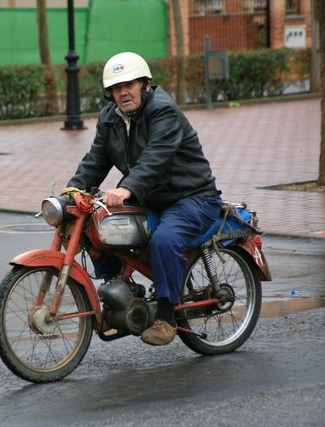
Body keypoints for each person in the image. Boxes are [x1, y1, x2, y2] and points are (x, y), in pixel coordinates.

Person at [66, 52, 222, 346]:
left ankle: (166, 318)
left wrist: (127, 188)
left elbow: (157, 156)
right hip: (150, 197)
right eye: (116, 87)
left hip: (192, 196)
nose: (123, 92)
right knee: (99, 224)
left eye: (129, 84)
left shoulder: (163, 111)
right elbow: (96, 160)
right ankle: (120, 291)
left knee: (164, 239)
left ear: (145, 84)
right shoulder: (110, 117)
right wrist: (72, 191)